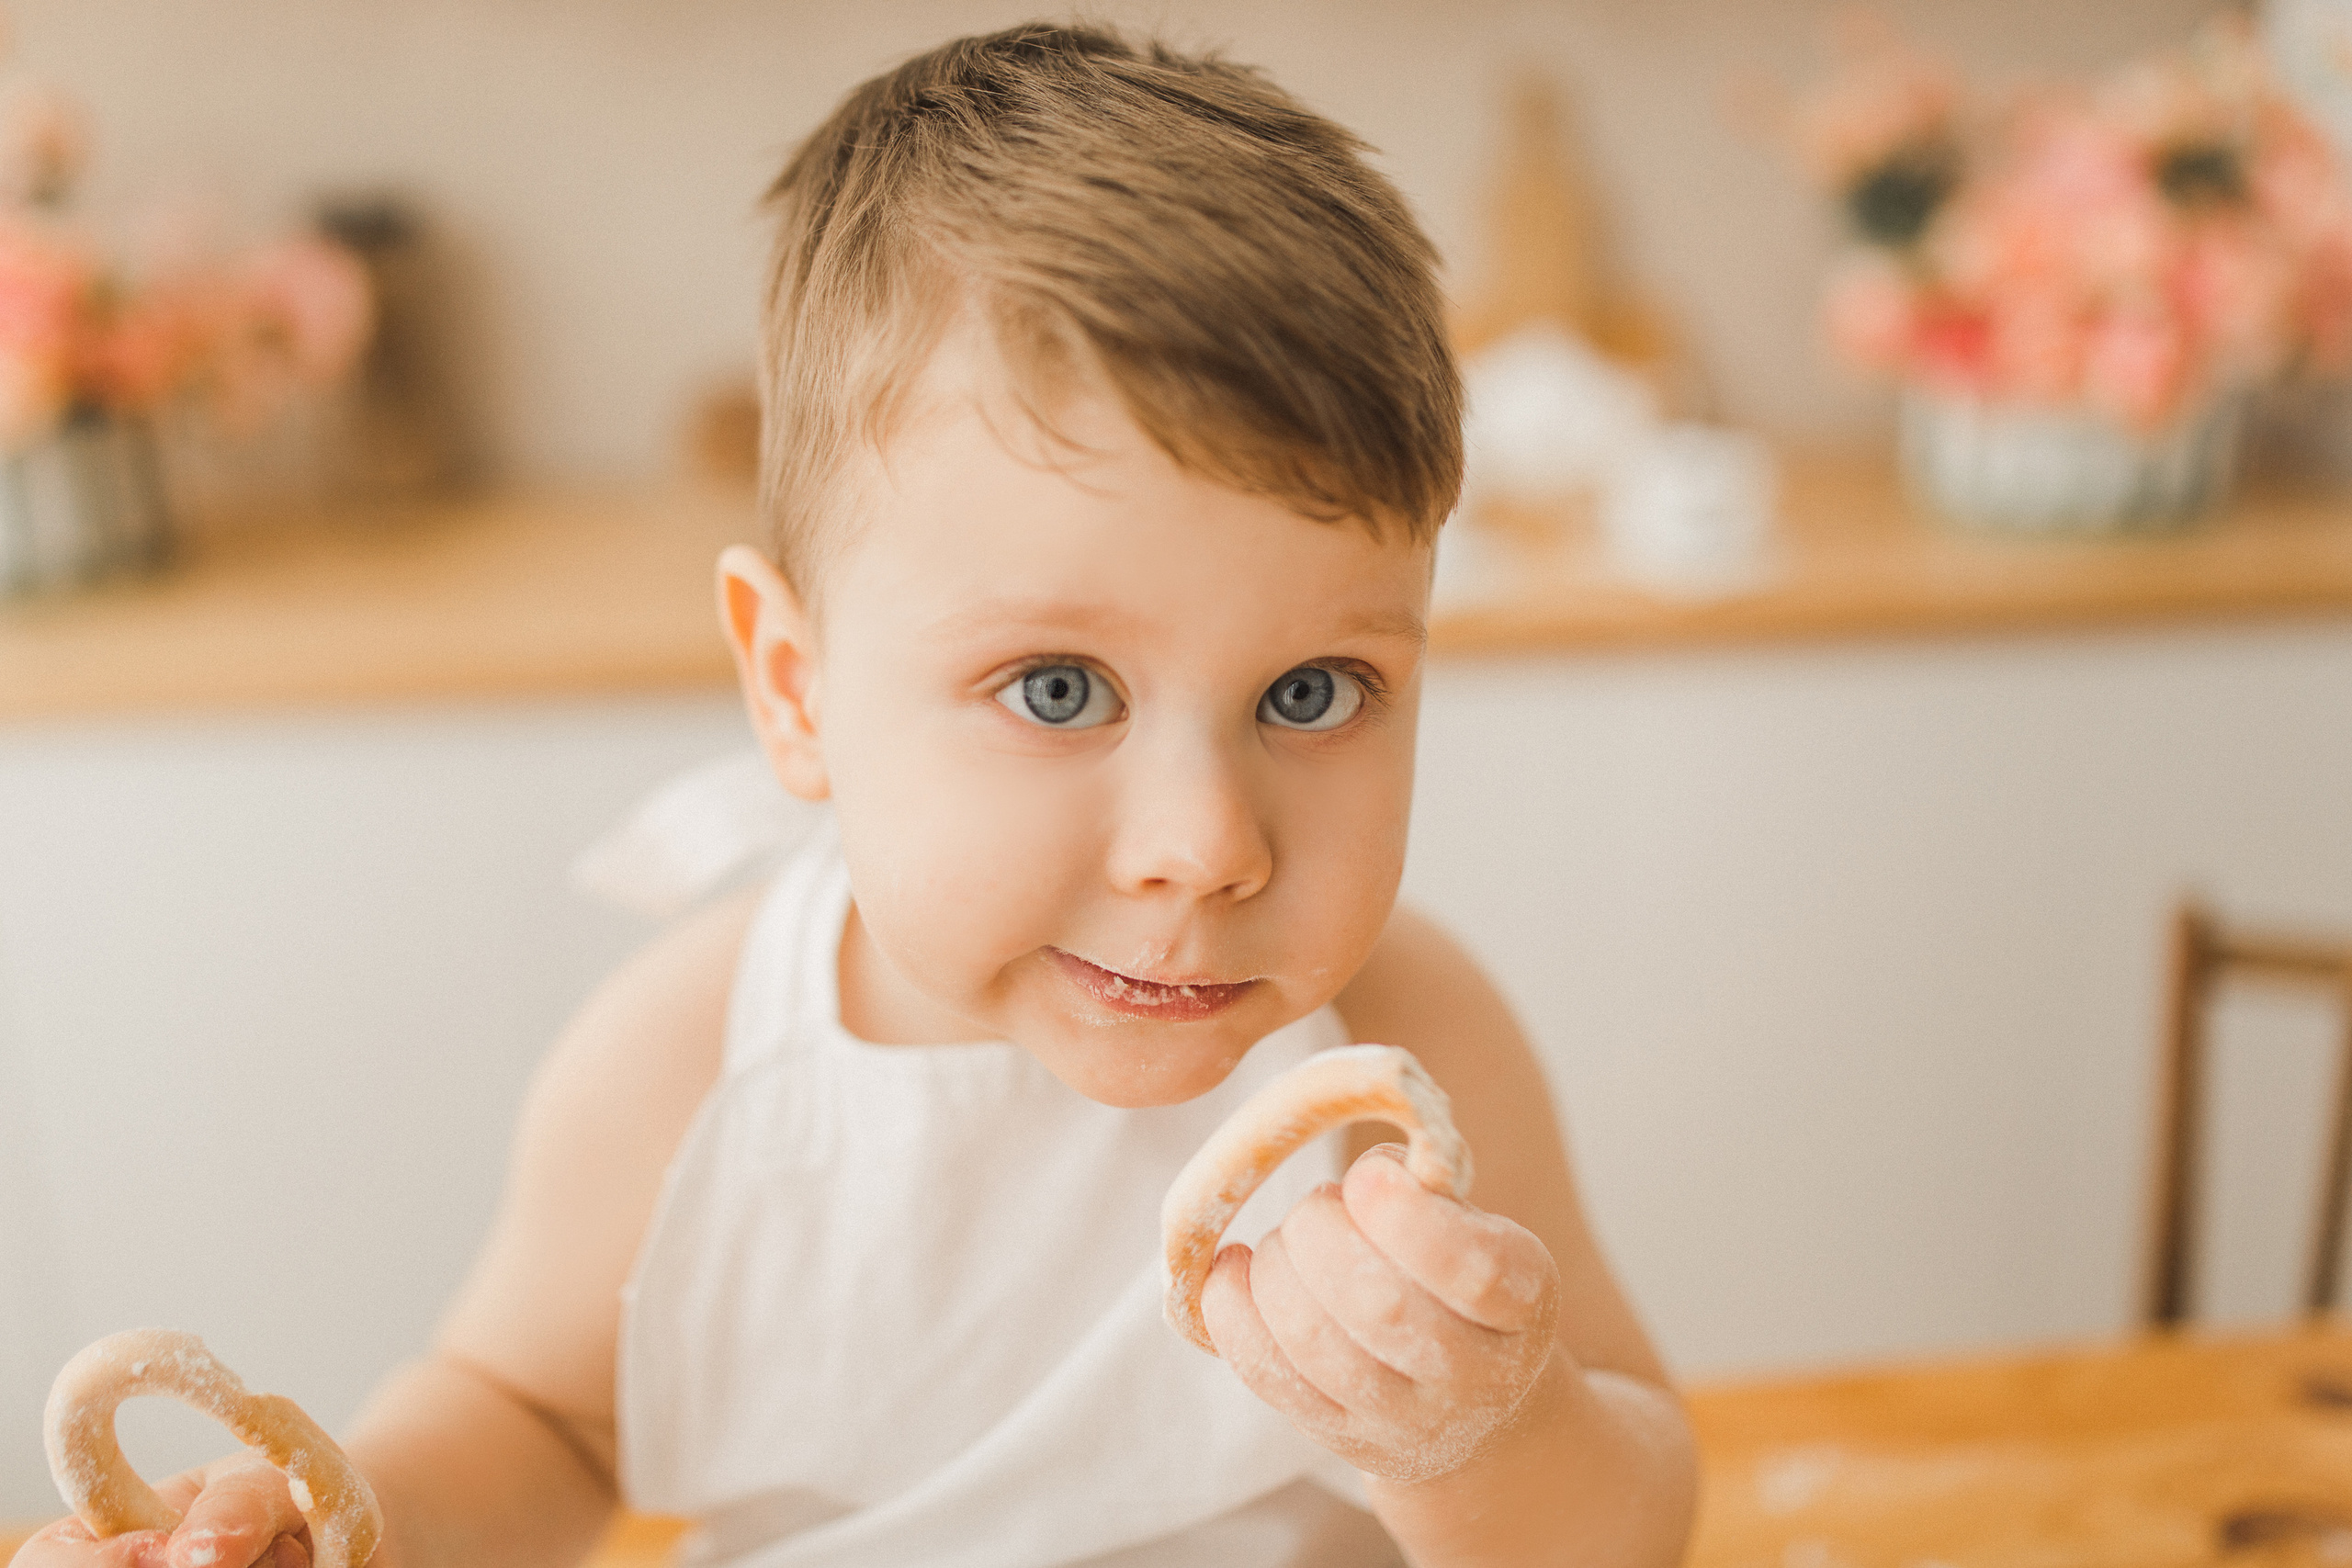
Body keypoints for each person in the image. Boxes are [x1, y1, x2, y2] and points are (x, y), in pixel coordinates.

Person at [17, 23, 1694, 1568]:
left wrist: (1490, 1435)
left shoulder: (1406, 1060)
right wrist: (344, 1531)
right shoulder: (689, 1068)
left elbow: (1634, 1515)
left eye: (1312, 694)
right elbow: (532, 1423)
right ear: (798, 691)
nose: (1207, 846)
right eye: (1058, 692)